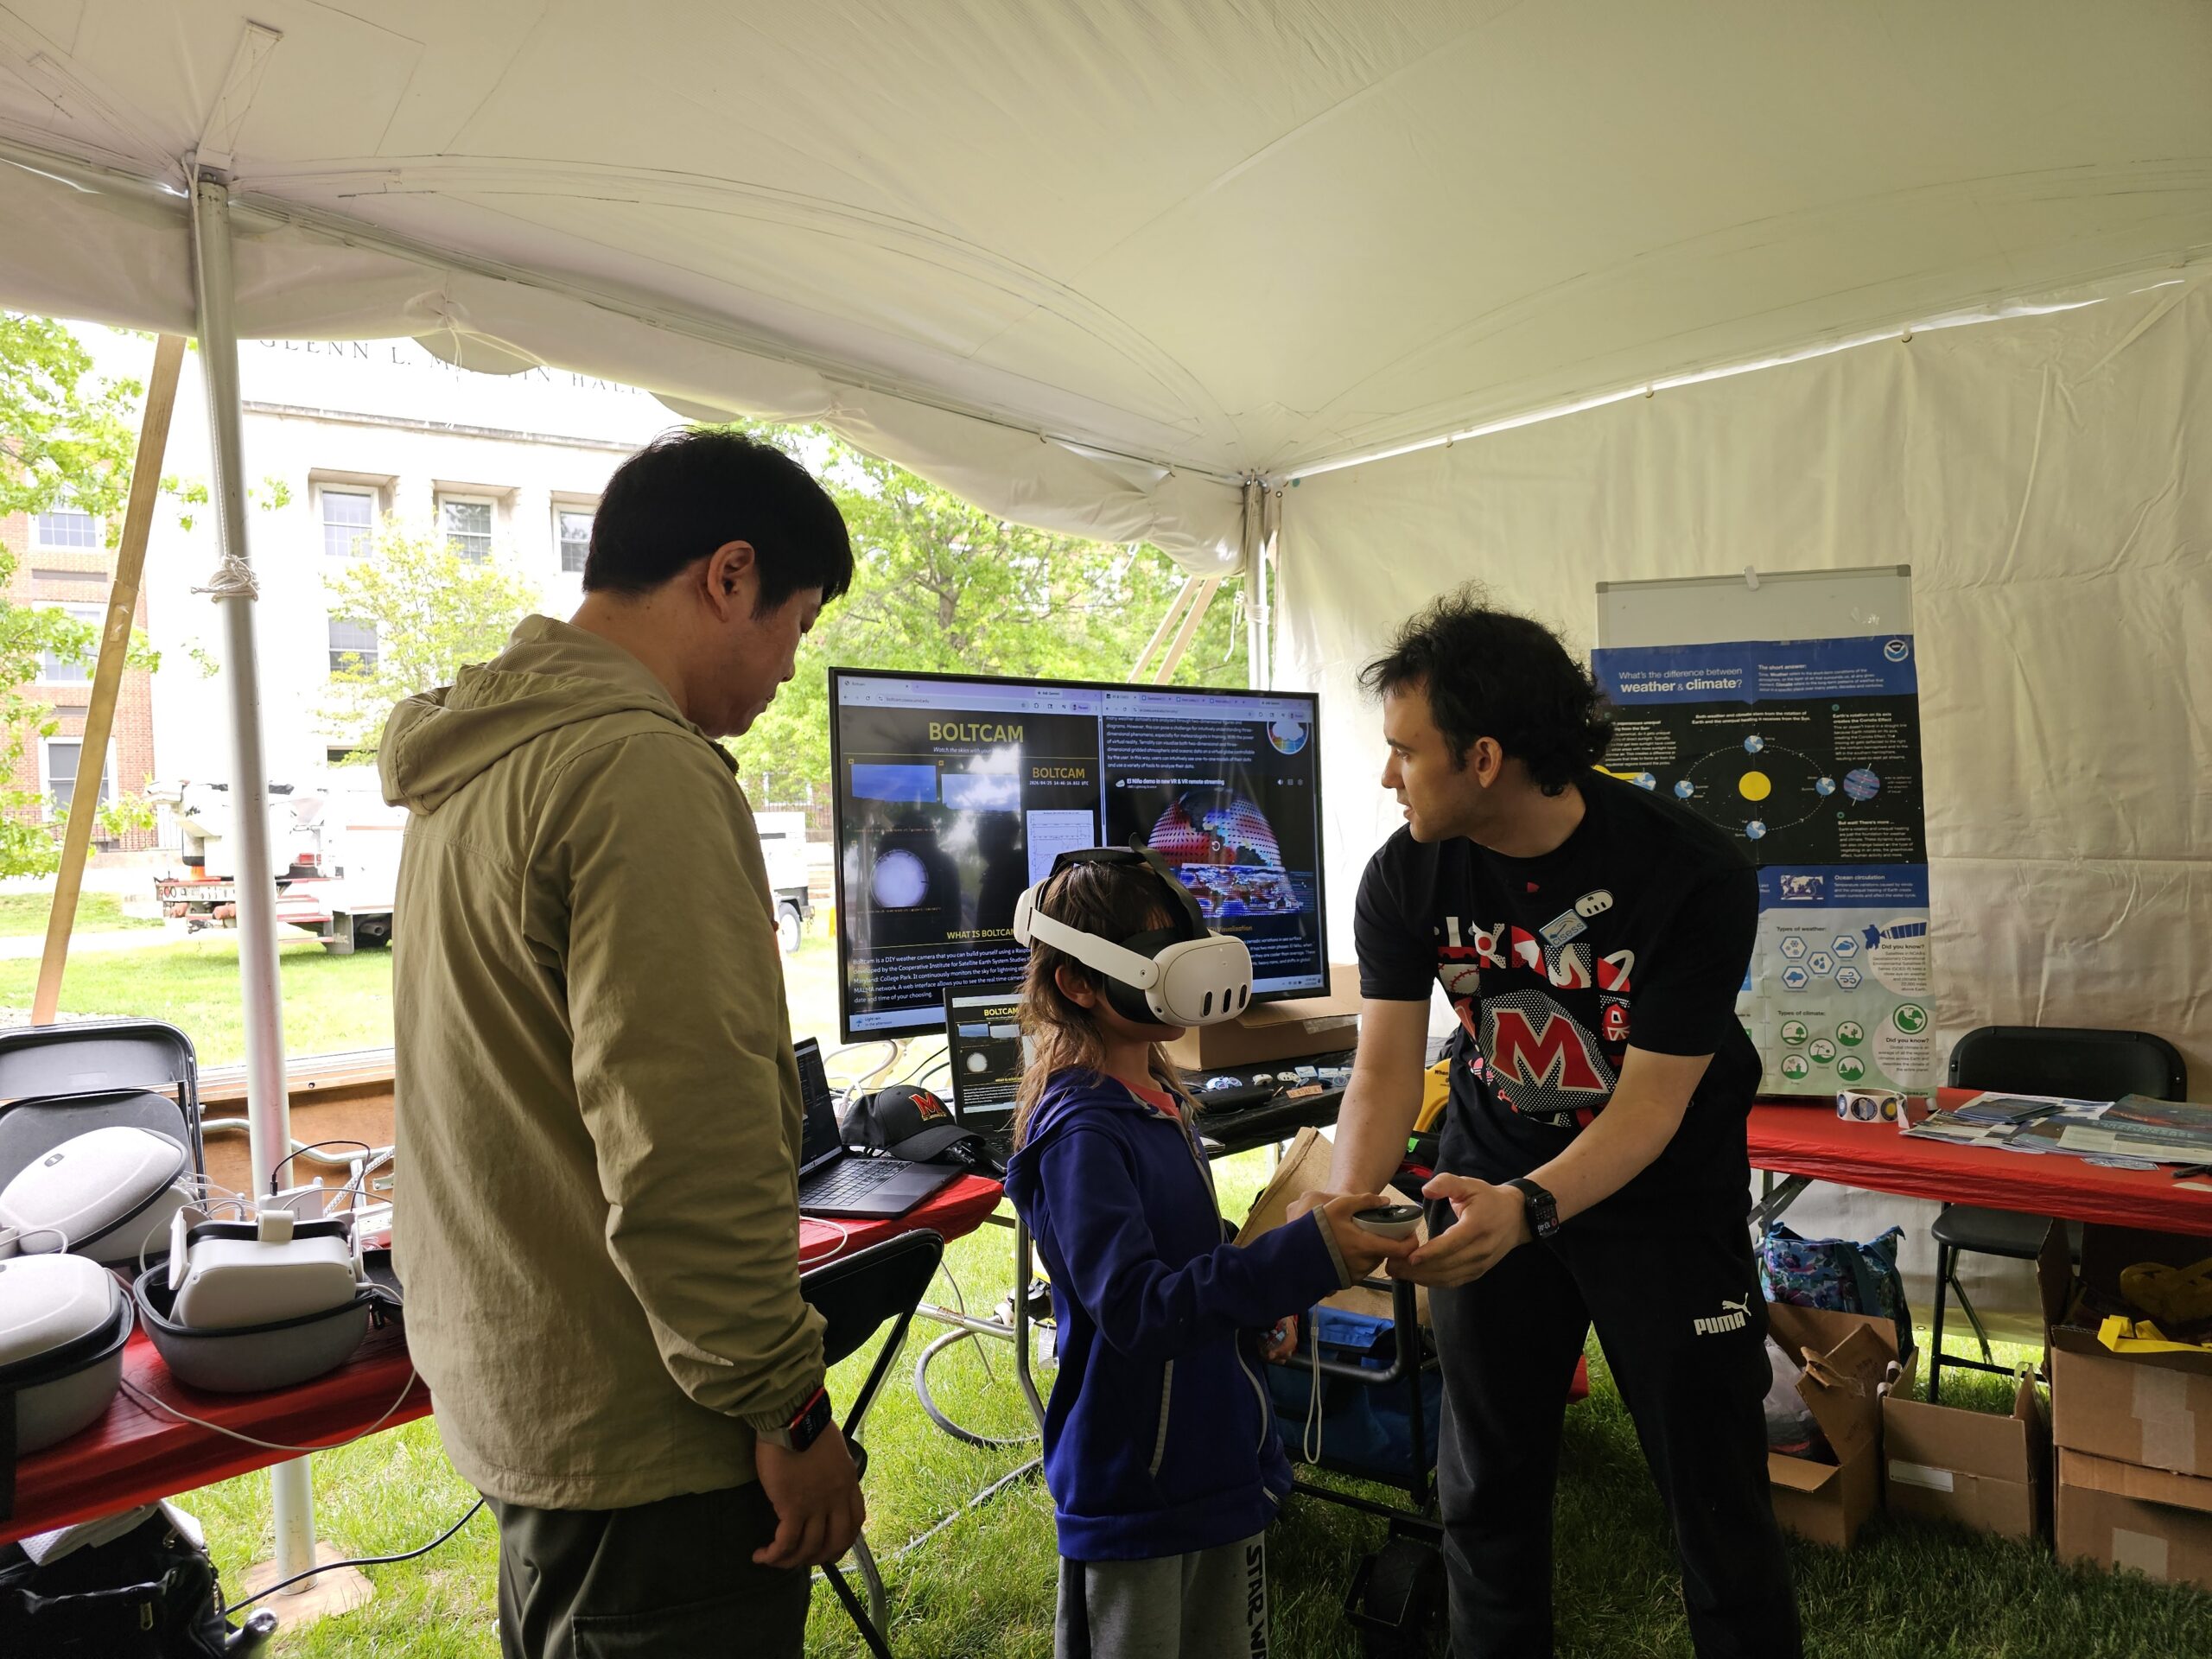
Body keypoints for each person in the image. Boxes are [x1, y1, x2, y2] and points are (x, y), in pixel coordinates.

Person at [379, 428, 856, 1659]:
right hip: (656, 1454)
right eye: (797, 625)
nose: (790, 671)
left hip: (536, 1413)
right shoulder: (642, 768)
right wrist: (794, 1416)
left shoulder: (482, 761)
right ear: (731, 575)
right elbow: (686, 1148)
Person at [1297, 590, 1802, 1658]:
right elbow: (1385, 1072)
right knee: (1484, 1486)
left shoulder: (1691, 872)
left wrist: (1532, 1207)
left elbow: (1653, 1105)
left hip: (1659, 1189)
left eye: (1403, 751)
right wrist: (1345, 1206)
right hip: (1486, 1165)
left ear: (1484, 758)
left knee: (1713, 1496)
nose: (1387, 777)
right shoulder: (1404, 872)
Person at [1001, 852, 1415, 1659]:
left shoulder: (1156, 1099)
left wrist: (1258, 1303)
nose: (1189, 966)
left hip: (1218, 1462)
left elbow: (1189, 1257)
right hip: (1138, 1490)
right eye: (1159, 951)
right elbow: (1137, 1307)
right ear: (1079, 985)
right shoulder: (1082, 1134)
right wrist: (1304, 1257)